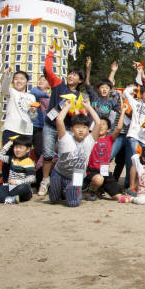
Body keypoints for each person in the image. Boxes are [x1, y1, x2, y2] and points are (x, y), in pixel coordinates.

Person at [39, 49, 85, 196]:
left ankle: (63, 183)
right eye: (70, 73)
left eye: (75, 75)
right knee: (47, 153)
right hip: (50, 125)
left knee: (66, 155)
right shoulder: (59, 85)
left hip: (65, 129)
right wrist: (50, 53)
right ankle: (45, 181)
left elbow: (78, 117)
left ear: (80, 80)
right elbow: (48, 69)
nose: (71, 76)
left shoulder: (79, 97)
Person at [49, 97, 101, 207]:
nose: (81, 130)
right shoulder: (65, 138)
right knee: (53, 200)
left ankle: (69, 191)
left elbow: (98, 123)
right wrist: (67, 107)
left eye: (84, 127)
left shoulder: (90, 140)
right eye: (77, 127)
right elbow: (59, 120)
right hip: (59, 173)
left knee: (73, 203)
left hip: (77, 175)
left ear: (88, 130)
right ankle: (60, 190)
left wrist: (88, 107)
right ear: (72, 129)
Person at [0, 68, 38, 182]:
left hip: (26, 131)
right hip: (11, 129)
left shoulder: (32, 97)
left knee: (23, 160)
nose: (18, 81)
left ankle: (22, 184)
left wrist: (33, 111)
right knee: (8, 159)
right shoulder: (11, 92)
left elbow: (33, 117)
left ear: (27, 82)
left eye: (21, 79)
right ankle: (6, 183)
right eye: (16, 79)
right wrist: (8, 76)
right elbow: (4, 88)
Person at [84, 104, 127, 201]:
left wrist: (123, 112)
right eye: (99, 124)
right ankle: (91, 190)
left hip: (105, 171)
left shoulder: (110, 139)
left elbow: (119, 128)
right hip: (91, 171)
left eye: (104, 124)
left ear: (108, 129)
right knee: (99, 180)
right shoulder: (90, 138)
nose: (101, 126)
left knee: (118, 197)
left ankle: (101, 189)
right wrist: (87, 108)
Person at [0, 136, 35, 204]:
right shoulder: (12, 159)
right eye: (16, 147)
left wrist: (17, 182)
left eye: (21, 148)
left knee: (24, 187)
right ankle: (8, 199)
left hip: (20, 189)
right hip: (9, 188)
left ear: (28, 149)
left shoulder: (29, 162)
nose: (18, 150)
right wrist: (9, 143)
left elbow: (32, 178)